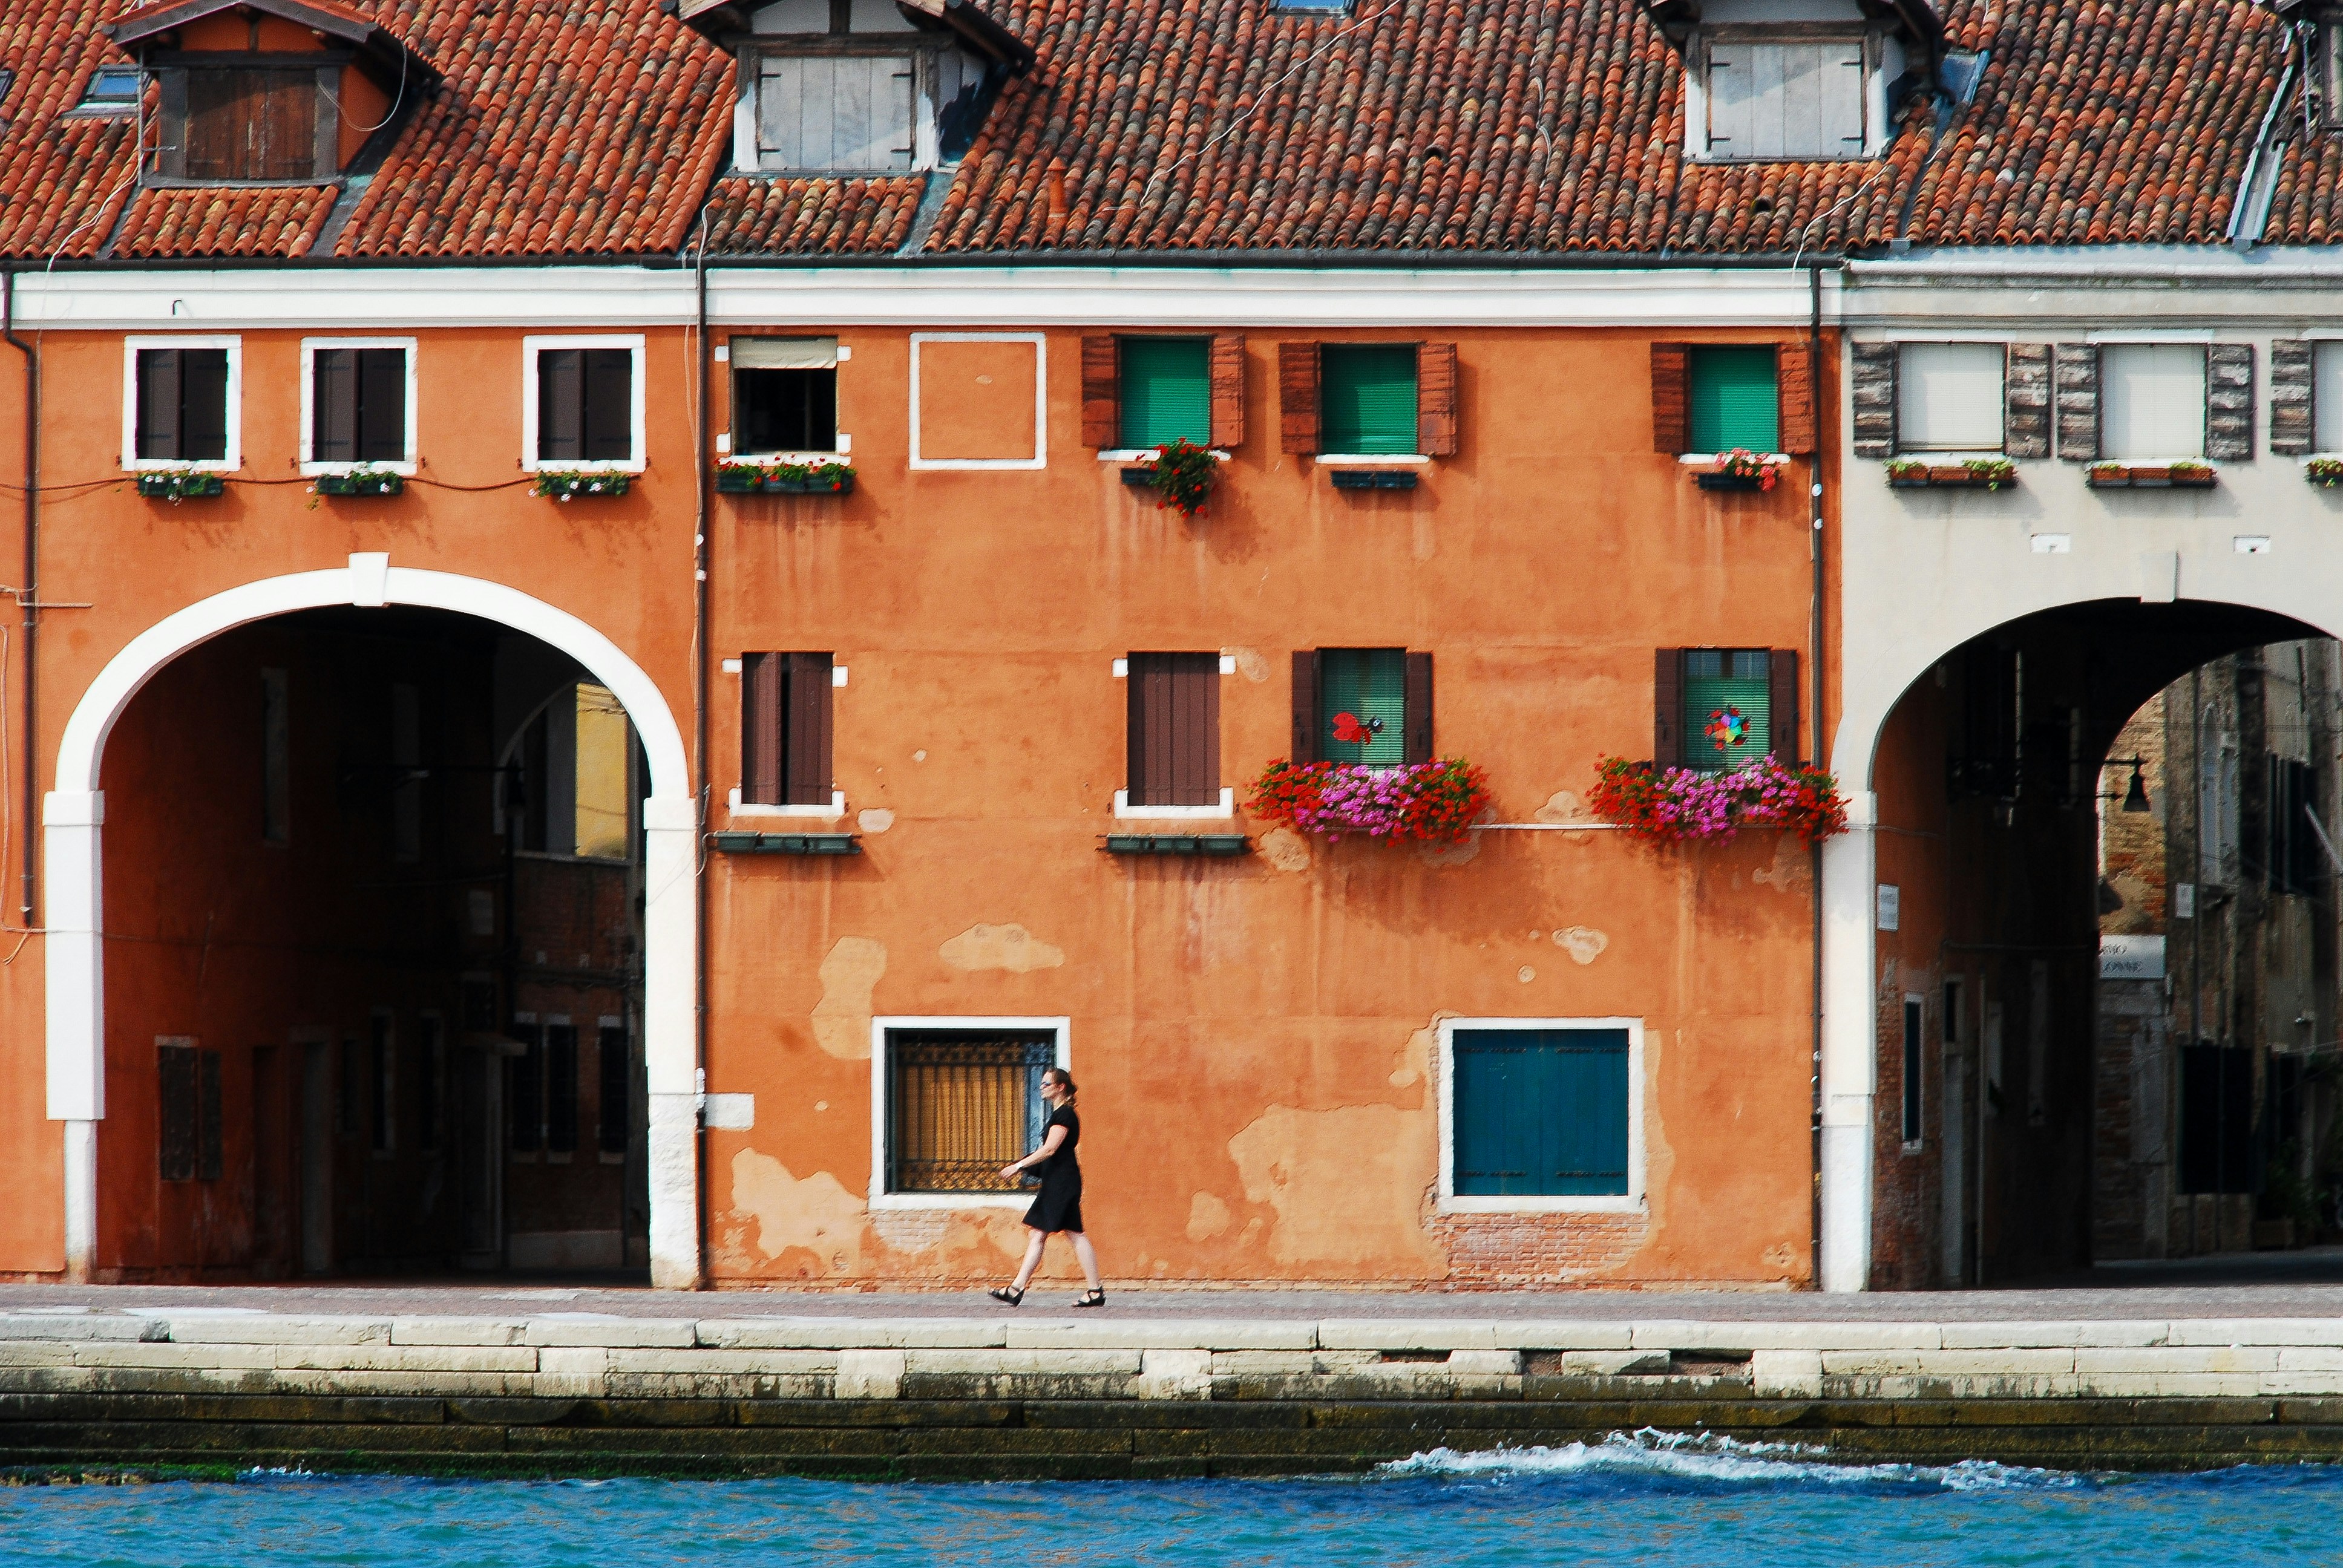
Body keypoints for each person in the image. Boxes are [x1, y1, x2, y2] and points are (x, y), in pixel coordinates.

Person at [989, 1067, 1103, 1308]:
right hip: (1060, 1182)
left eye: (1046, 1084)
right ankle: (1093, 1291)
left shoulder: (1065, 1115)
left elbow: (1050, 1149)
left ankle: (1017, 1289)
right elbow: (1053, 1153)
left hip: (1061, 1185)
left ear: (1061, 1087)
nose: (1041, 1088)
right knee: (1055, 1234)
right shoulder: (1060, 1114)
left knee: (1055, 1234)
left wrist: (1019, 1166)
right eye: (1042, 1084)